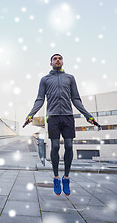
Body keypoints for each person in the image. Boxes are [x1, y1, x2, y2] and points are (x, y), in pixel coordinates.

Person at [25, 54, 97, 196]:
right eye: (55, 59)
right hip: (52, 117)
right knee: (56, 146)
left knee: (69, 146)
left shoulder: (70, 78)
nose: (58, 60)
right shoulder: (45, 80)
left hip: (68, 116)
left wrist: (87, 115)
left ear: (62, 62)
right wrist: (30, 115)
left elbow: (76, 99)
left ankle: (66, 177)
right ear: (50, 63)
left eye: (60, 58)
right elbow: (39, 99)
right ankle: (56, 177)